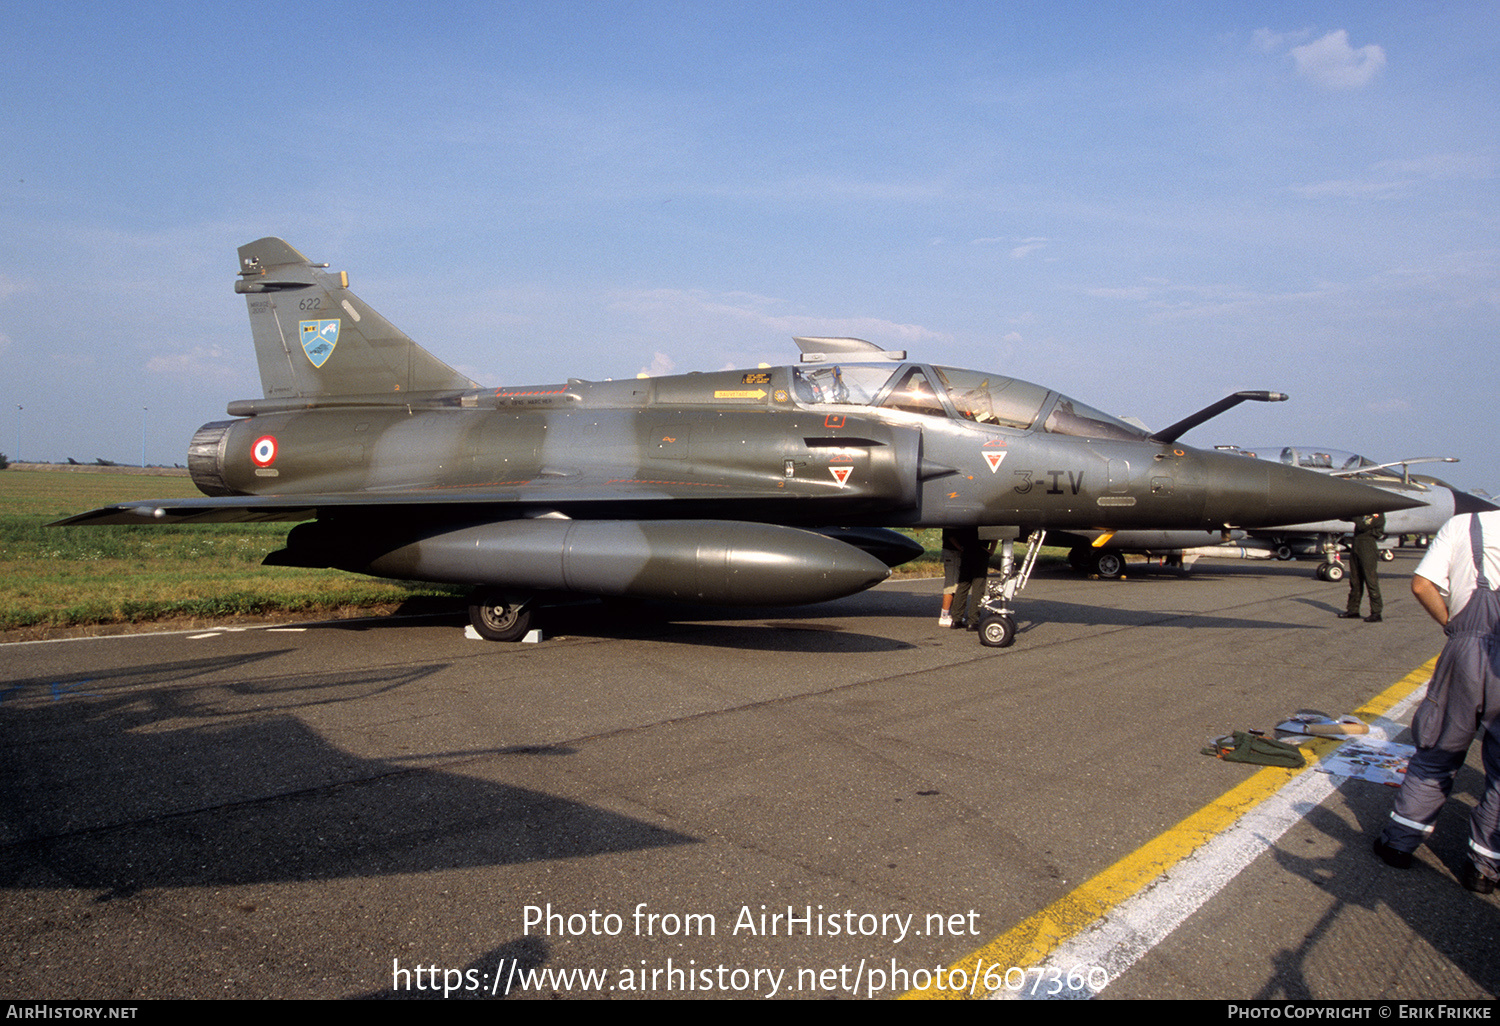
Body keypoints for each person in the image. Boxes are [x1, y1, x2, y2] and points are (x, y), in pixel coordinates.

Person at [1373, 510, 1500, 893]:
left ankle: (1399, 844)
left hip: (1465, 650)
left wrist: (1454, 627)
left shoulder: (1466, 524)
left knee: (1438, 748)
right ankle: (1484, 868)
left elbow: (1421, 585)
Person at [1339, 512, 1386, 622]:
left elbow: (1362, 525)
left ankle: (1376, 612)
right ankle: (1353, 610)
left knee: (1371, 580)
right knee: (1355, 580)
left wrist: (1356, 513)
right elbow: (1345, 517)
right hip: (1357, 545)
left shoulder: (1376, 514)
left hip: (1367, 546)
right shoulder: (1364, 513)